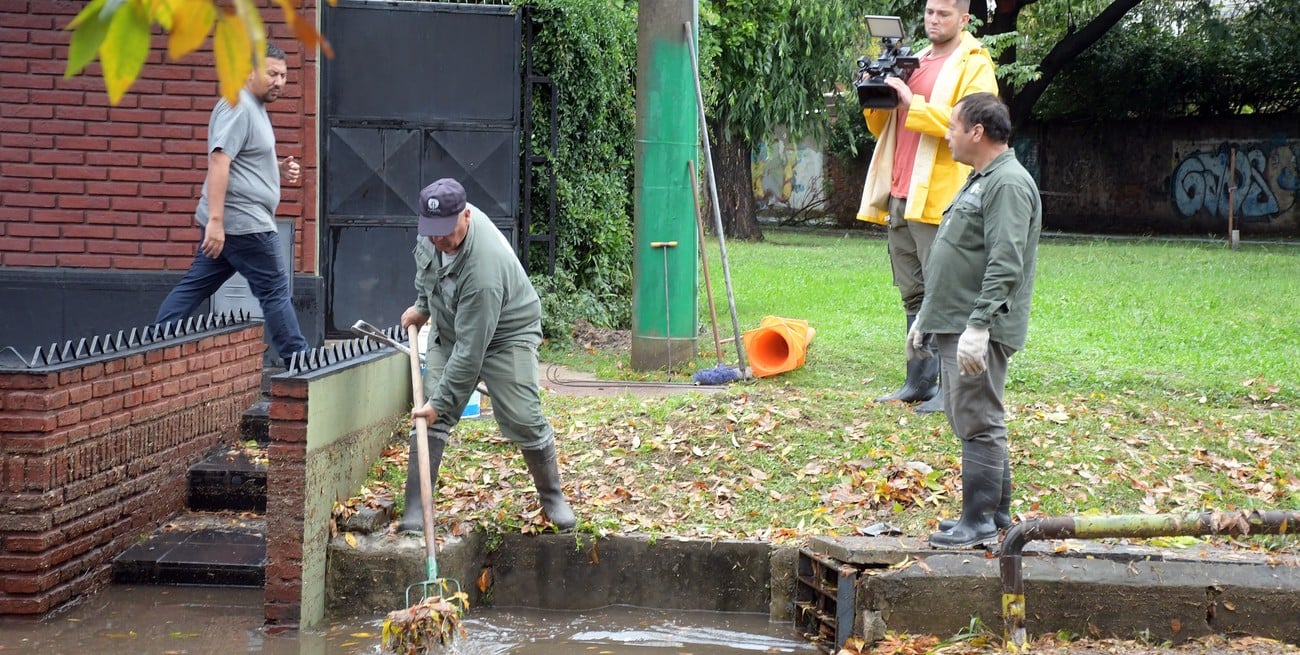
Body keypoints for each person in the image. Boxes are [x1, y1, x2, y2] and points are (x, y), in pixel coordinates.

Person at [399, 178, 576, 533]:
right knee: (430, 413)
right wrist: (422, 307)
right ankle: (416, 507)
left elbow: (469, 353)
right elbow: (427, 272)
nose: (438, 238)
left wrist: (441, 402)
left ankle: (553, 497)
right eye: (432, 230)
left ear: (466, 216)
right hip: (452, 325)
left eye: (445, 230)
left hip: (507, 335)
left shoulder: (484, 269)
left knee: (522, 416)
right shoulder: (432, 231)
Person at [909, 92, 1041, 548]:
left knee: (979, 419)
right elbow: (958, 253)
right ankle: (995, 516)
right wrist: (927, 318)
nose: (947, 135)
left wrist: (980, 324)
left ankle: (980, 520)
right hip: (956, 320)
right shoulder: (983, 179)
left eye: (952, 127)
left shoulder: (1007, 183)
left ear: (977, 132)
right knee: (969, 414)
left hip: (978, 325)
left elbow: (1006, 262)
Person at [858, 0, 997, 413]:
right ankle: (918, 383)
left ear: (964, 18)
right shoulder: (911, 60)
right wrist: (874, 90)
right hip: (900, 192)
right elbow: (883, 124)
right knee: (913, 293)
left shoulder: (975, 63)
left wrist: (912, 103)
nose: (934, 20)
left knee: (946, 294)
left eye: (943, 14)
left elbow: (972, 127)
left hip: (941, 198)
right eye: (929, 12)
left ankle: (951, 391)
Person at [154, 43, 309, 366]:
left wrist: (276, 168)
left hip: (234, 224)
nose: (279, 82)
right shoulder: (238, 106)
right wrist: (215, 221)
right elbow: (220, 160)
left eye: (283, 76)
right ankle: (299, 361)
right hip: (245, 223)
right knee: (275, 290)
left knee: (196, 285)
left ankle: (154, 346)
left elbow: (241, 159)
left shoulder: (254, 107)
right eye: (272, 74)